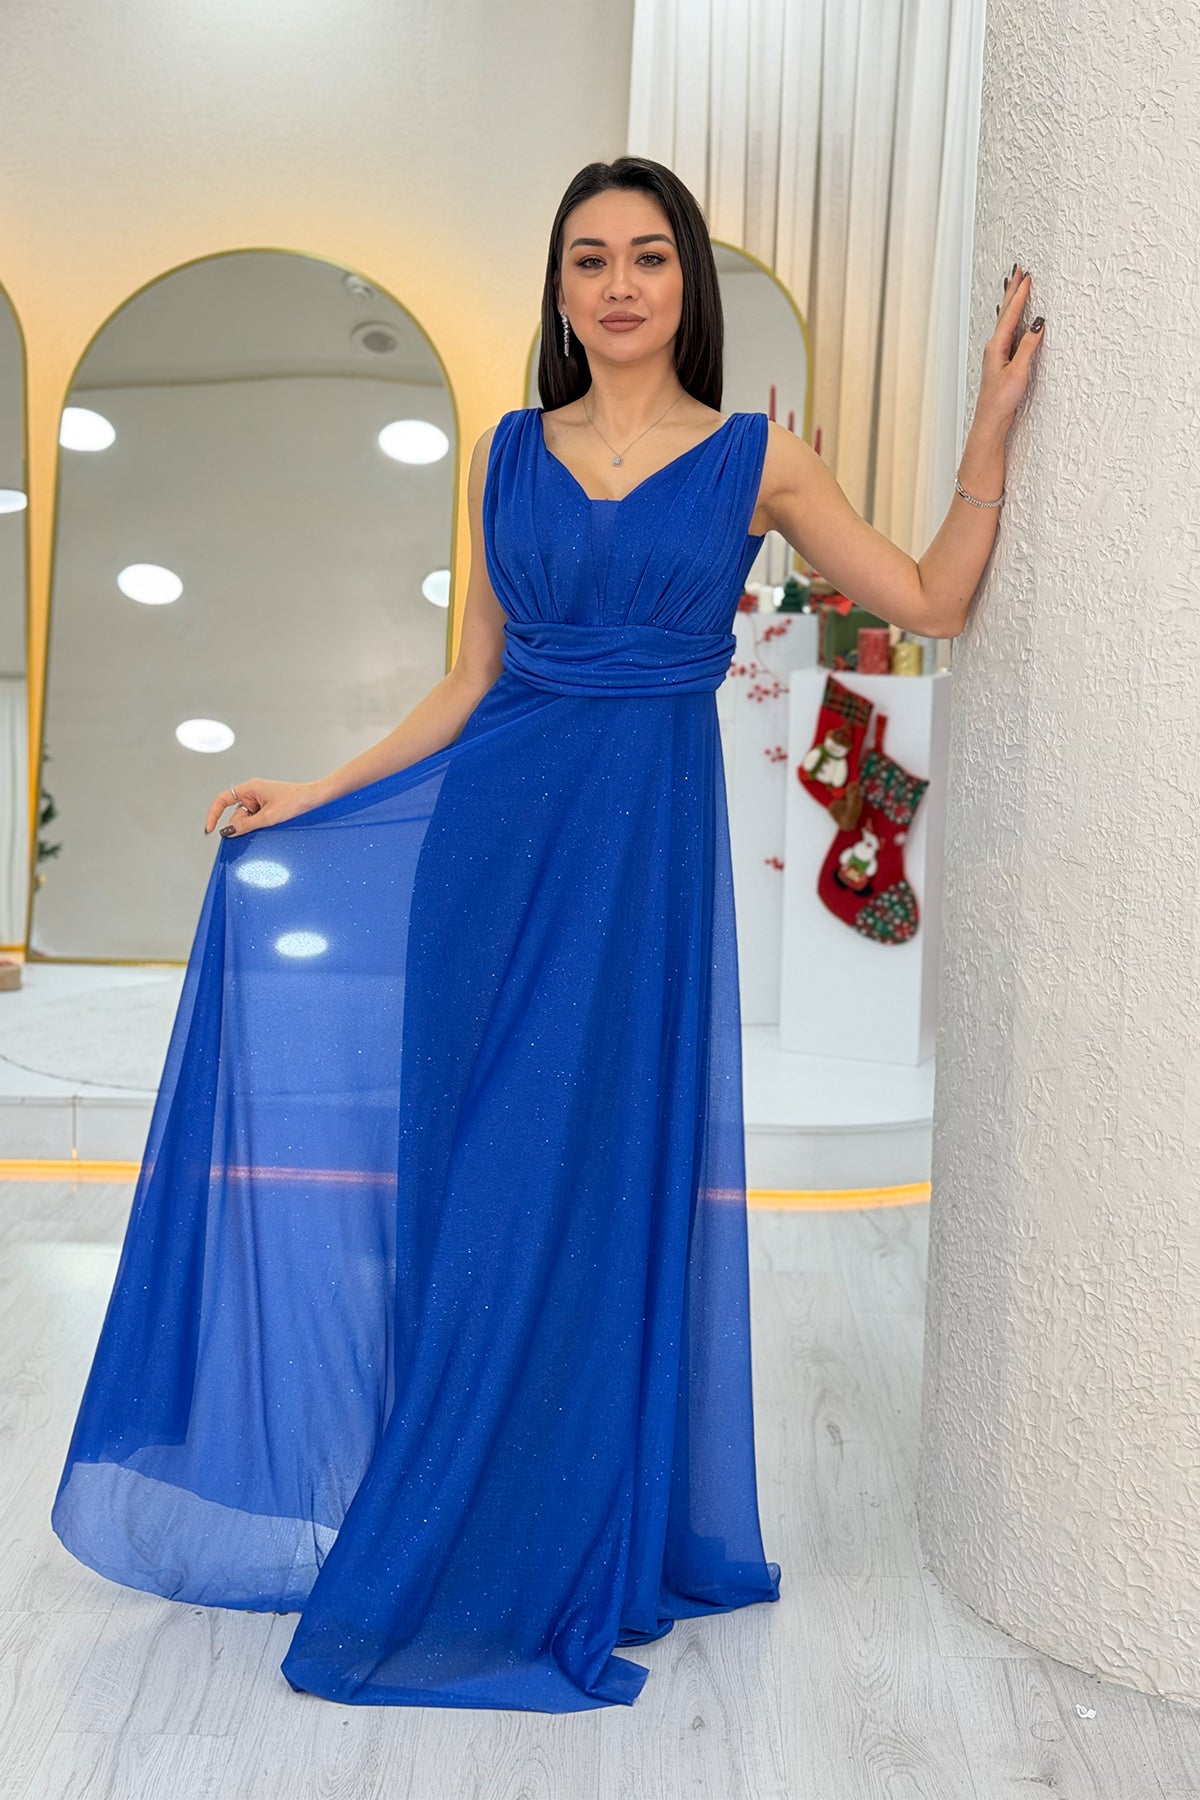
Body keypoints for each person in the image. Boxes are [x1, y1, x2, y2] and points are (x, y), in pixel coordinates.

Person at [50, 156, 1043, 1713]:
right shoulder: (505, 453)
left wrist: (986, 438)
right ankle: (451, 1519)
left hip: (638, 871)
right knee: (475, 1191)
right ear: (560, 289)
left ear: (686, 283)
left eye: (648, 256)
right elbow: (472, 682)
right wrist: (317, 789)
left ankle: (559, 1528)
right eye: (590, 259)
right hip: (492, 852)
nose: (620, 284)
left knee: (589, 1184)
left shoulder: (759, 461)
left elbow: (927, 599)